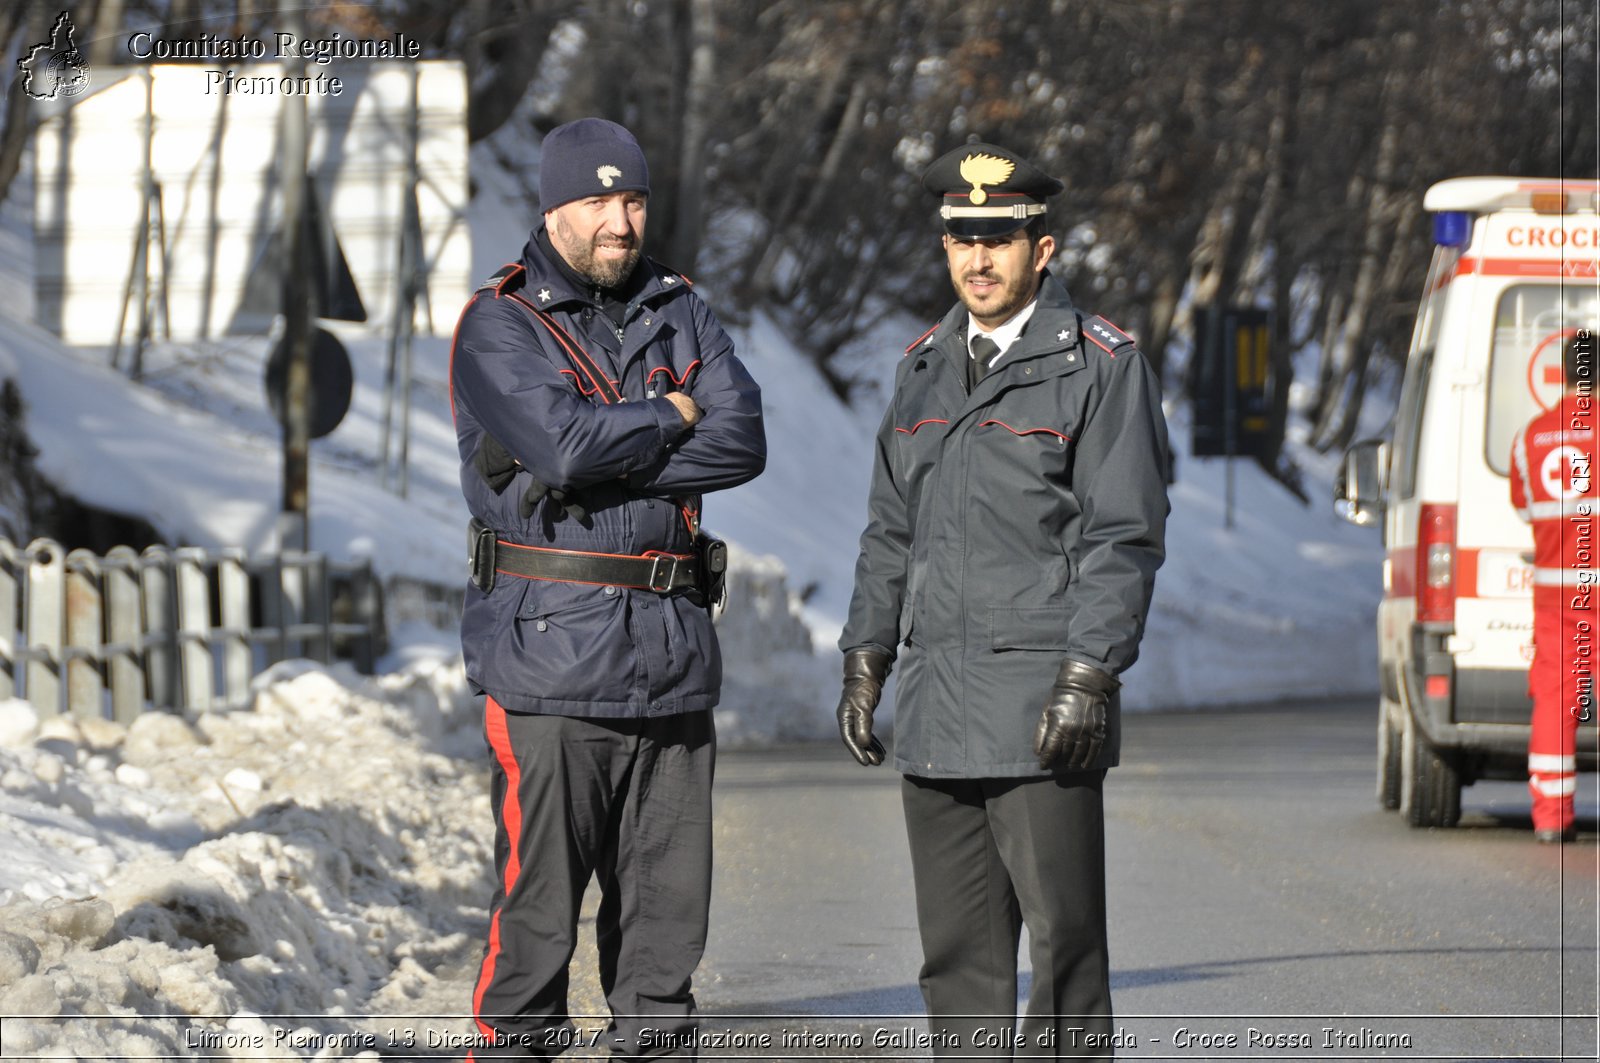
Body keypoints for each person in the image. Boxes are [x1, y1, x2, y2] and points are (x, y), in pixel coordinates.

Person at [835, 141, 1169, 1058]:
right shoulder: (922, 367)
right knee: (958, 964)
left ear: (1043, 248)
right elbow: (888, 530)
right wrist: (866, 658)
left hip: (1041, 716)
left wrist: (1089, 674)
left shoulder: (1101, 367)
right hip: (938, 712)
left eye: (999, 238)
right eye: (960, 239)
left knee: (1065, 957)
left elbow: (1123, 536)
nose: (977, 259)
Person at [449, 117, 765, 1059]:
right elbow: (556, 446)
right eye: (597, 202)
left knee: (666, 944)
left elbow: (740, 440)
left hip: (671, 653)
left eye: (631, 199)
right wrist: (672, 411)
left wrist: (605, 443)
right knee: (536, 932)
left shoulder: (682, 308)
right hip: (549, 655)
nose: (620, 222)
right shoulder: (499, 322)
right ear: (553, 209)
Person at [1510, 329, 1596, 844]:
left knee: (1556, 695)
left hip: (1556, 593)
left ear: (1564, 373)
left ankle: (1550, 816)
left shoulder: (1529, 436)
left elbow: (1524, 509)